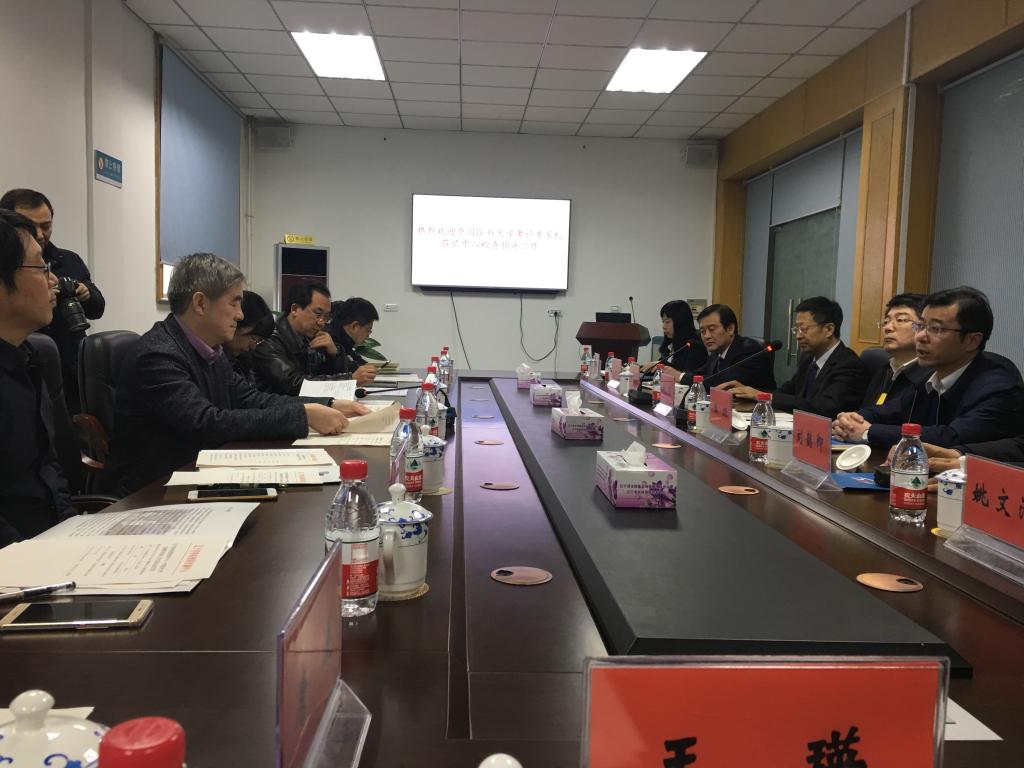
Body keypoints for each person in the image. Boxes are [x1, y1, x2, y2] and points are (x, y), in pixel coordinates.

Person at [103, 254, 364, 496]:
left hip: (193, 475)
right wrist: (303, 415)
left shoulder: (209, 350)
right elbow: (205, 423)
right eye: (234, 302)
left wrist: (326, 404)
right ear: (200, 303)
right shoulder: (159, 354)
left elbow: (250, 399)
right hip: (150, 492)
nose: (240, 314)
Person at [833, 287, 1023, 449]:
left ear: (972, 340)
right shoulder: (930, 378)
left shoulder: (999, 388)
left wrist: (867, 432)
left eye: (936, 329)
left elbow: (950, 437)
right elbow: (891, 411)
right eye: (920, 326)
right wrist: (853, 419)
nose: (921, 337)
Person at [0, 209, 76, 545]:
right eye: (41, 268)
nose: (54, 279)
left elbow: (49, 469)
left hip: (52, 544)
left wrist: (73, 532)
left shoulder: (30, 358)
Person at [0, 188, 105, 413]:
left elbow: (98, 306)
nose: (40, 234)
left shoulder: (68, 260)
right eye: (39, 270)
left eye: (46, 226)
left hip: (69, 366)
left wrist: (84, 293)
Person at [721, 296, 866, 418]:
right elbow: (786, 392)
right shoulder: (808, 359)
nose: (798, 336)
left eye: (804, 329)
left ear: (828, 329)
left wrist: (763, 396)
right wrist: (748, 392)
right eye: (796, 329)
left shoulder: (849, 364)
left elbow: (825, 408)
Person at [253, 281, 362, 395]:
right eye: (318, 314)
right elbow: (294, 384)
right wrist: (348, 379)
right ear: (295, 309)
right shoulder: (269, 340)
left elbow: (323, 376)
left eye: (326, 316)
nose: (321, 322)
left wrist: (335, 354)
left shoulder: (312, 336)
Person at [677, 304, 776, 391]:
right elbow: (700, 373)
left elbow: (722, 383)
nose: (706, 336)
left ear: (730, 329)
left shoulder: (749, 351)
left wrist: (681, 376)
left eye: (712, 329)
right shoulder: (718, 351)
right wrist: (676, 373)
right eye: (702, 331)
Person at [861, 292, 931, 408]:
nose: (888, 328)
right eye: (886, 322)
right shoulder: (884, 370)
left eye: (901, 320)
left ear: (924, 327)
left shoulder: (931, 377)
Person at [642, 300, 707, 375]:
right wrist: (640, 368)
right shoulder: (670, 345)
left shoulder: (694, 345)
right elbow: (658, 370)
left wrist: (663, 366)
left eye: (667, 322)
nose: (663, 327)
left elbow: (688, 376)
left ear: (680, 322)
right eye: (663, 322)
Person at [224, 290, 275, 385]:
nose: (253, 346)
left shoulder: (243, 360)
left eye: (258, 341)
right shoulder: (215, 360)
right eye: (253, 338)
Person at [328, 297, 381, 385]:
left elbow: (356, 360)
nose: (368, 335)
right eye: (368, 330)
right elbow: (345, 369)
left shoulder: (344, 339)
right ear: (354, 326)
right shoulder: (329, 339)